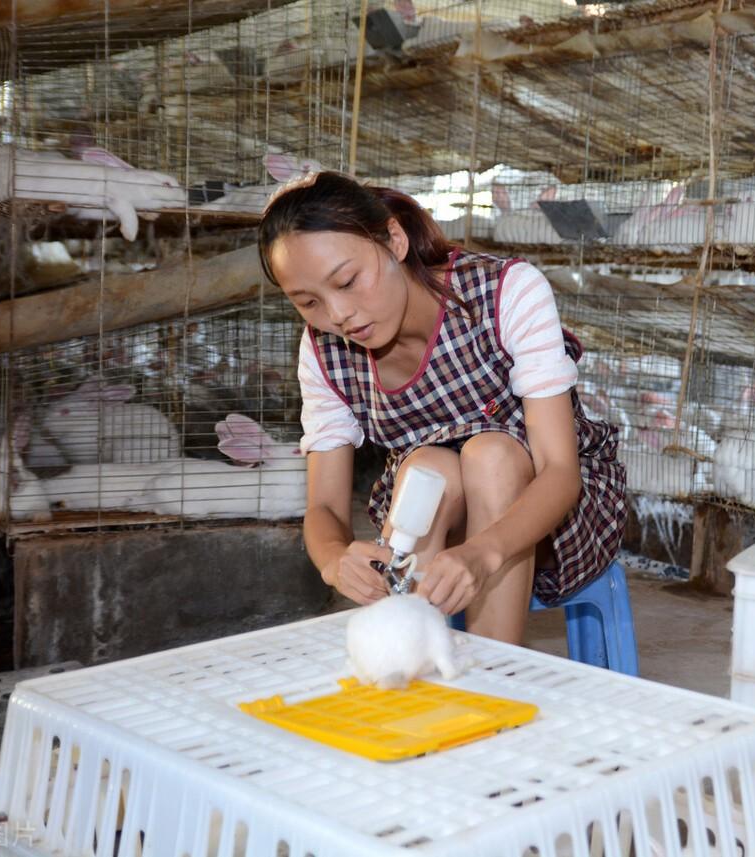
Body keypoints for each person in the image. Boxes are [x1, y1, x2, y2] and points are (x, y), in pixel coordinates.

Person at [258, 171, 626, 644]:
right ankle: (409, 666)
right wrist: (334, 560)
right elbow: (325, 505)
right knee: (427, 465)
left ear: (394, 240)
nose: (338, 315)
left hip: (556, 518)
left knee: (492, 454)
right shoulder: (324, 351)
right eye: (308, 302)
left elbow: (559, 471)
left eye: (347, 281)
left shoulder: (503, 293)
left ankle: (491, 676)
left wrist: (484, 552)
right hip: (436, 525)